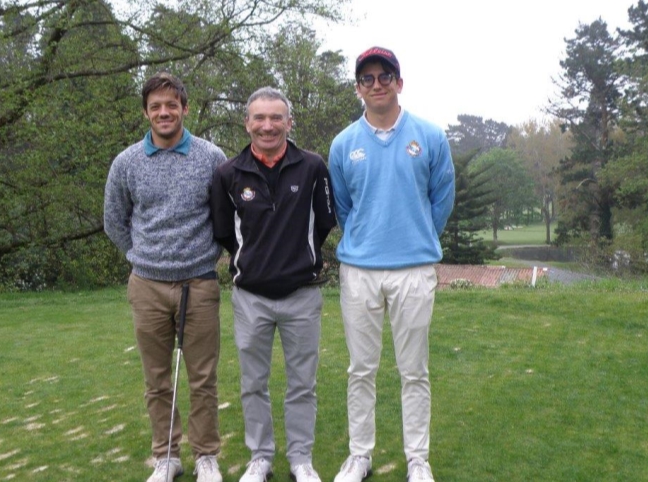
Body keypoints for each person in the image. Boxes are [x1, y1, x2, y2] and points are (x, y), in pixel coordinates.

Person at [328, 47, 456, 482]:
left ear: (399, 82)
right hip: (359, 271)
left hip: (414, 270)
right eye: (367, 78)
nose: (377, 84)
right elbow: (344, 208)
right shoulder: (344, 144)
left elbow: (442, 198)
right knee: (360, 369)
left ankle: (417, 459)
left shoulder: (430, 136)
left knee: (413, 370)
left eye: (385, 76)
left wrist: (417, 237)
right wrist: (368, 240)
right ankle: (359, 455)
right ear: (359, 88)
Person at [104, 71, 226, 482]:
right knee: (157, 379)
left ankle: (206, 455)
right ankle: (167, 456)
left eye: (171, 105)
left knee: (203, 377)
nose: (164, 112)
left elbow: (225, 219)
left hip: (200, 282)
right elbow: (114, 221)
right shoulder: (126, 162)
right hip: (148, 286)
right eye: (155, 106)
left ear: (185, 108)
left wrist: (207, 255)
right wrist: (142, 258)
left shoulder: (211, 157)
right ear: (145, 113)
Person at [210, 87, 337, 482]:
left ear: (289, 122)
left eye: (276, 117)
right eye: (259, 118)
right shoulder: (228, 173)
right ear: (247, 122)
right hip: (251, 298)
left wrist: (298, 258)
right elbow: (224, 232)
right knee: (253, 383)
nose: (268, 126)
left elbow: (325, 221)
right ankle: (260, 458)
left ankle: (301, 459)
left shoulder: (313, 167)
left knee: (303, 383)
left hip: (302, 294)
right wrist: (256, 263)